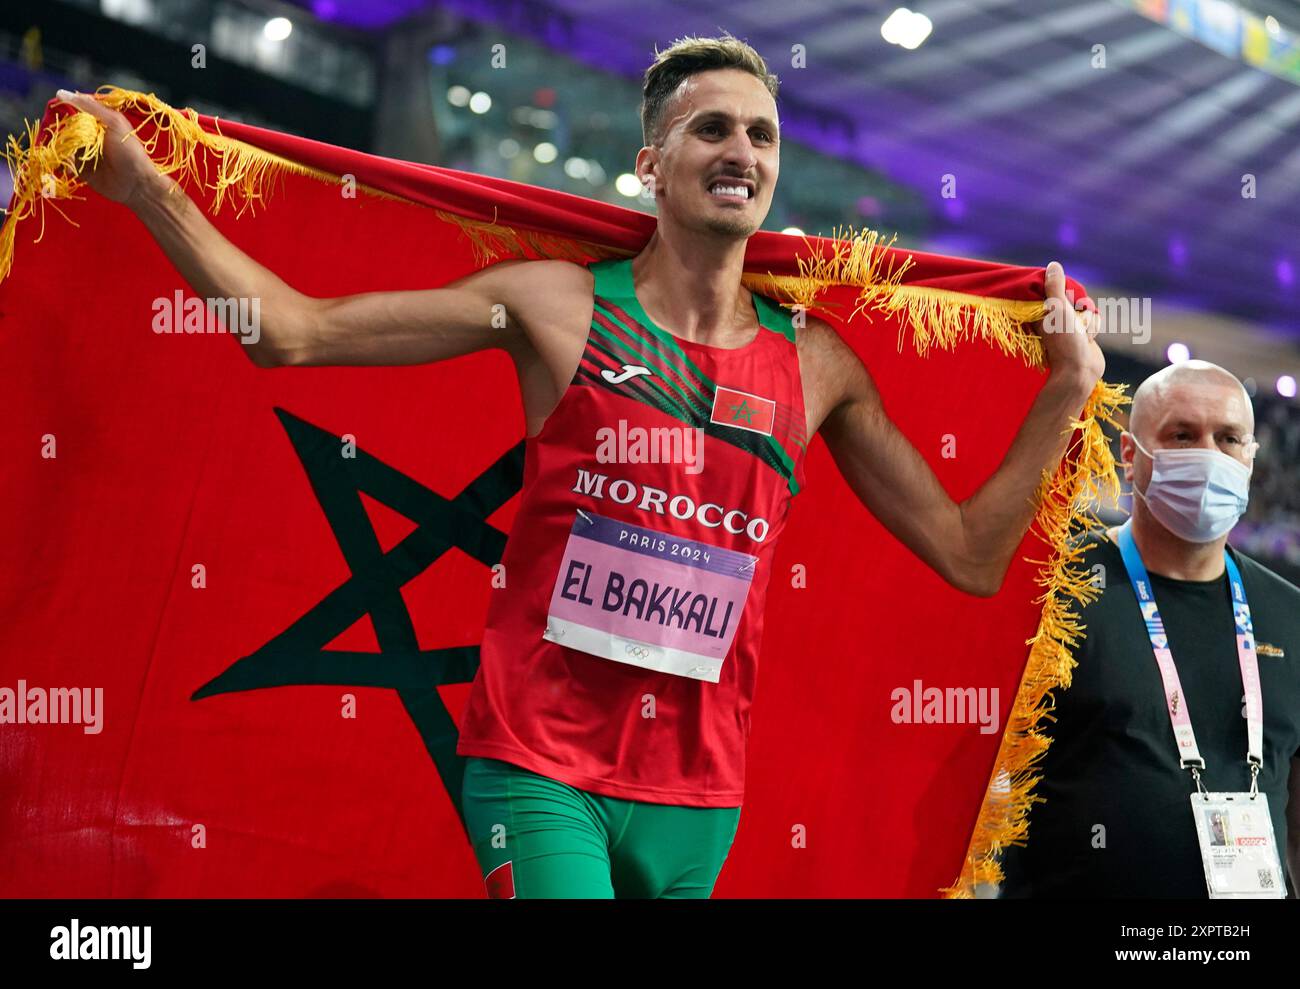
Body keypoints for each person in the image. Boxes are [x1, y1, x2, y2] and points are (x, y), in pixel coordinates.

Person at [55, 33, 1103, 898]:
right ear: (650, 162)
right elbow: (292, 331)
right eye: (711, 128)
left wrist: (1062, 392)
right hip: (537, 762)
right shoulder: (560, 305)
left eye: (761, 134)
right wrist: (147, 189)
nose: (741, 149)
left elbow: (969, 552)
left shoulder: (817, 364)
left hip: (700, 793)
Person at [999, 360, 1300, 898]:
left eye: (1229, 438)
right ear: (1131, 455)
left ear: (1251, 458)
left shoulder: (1290, 615)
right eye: (1182, 435)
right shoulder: (1054, 588)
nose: (1208, 454)